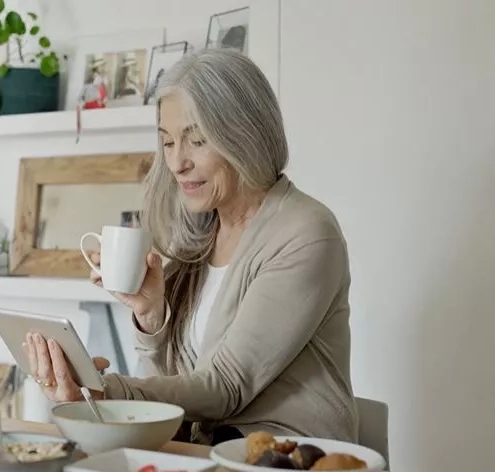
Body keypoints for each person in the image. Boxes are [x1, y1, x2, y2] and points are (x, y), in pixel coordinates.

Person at [24, 49, 358, 446]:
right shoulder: (198, 239)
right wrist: (150, 316)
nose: (177, 162)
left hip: (291, 462)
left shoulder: (305, 234)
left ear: (245, 135)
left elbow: (224, 388)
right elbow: (174, 395)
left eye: (196, 141)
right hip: (208, 455)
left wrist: (106, 392)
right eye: (167, 142)